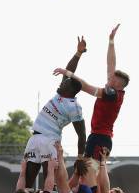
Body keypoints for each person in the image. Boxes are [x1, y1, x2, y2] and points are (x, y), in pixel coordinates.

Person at [52, 24, 129, 166]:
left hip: (101, 138)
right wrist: (111, 41)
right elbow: (111, 64)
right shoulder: (114, 88)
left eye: (113, 78)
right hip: (97, 136)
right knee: (84, 172)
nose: (109, 78)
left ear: (118, 84)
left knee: (91, 174)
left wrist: (67, 73)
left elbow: (86, 87)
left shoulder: (111, 94)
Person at [24, 37, 88, 189]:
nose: (62, 82)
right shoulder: (61, 93)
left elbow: (82, 134)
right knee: (27, 179)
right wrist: (78, 53)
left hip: (50, 141)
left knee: (49, 178)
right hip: (35, 138)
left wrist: (80, 157)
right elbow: (69, 71)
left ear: (71, 90)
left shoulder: (74, 107)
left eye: (65, 82)